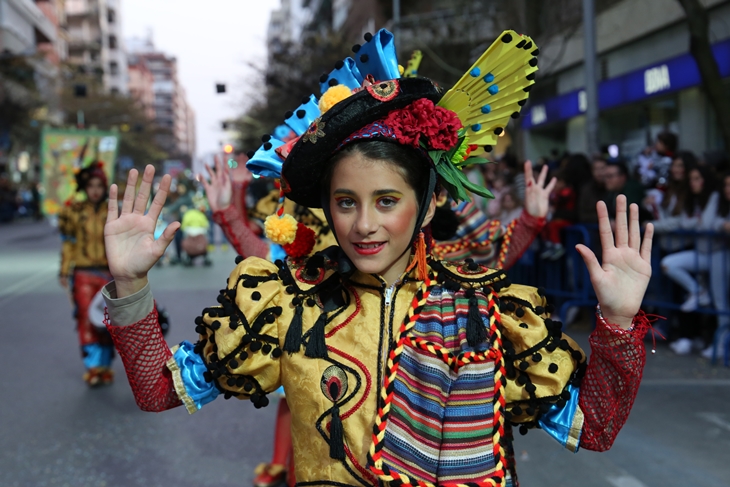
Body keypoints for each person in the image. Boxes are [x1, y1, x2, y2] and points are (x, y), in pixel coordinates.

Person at [102, 29, 655, 485]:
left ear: (431, 200)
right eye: (345, 202)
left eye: (386, 201)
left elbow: (594, 426)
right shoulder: (287, 306)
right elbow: (159, 390)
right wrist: (130, 285)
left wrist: (620, 322)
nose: (363, 224)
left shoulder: (489, 312)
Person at [653, 165, 727, 355]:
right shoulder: (695, 199)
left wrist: (707, 224)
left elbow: (710, 223)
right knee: (669, 264)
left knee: (720, 301)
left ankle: (720, 346)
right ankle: (698, 292)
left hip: (718, 253)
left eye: (697, 178)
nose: (693, 183)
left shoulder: (715, 197)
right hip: (703, 252)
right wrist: (703, 224)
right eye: (692, 179)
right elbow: (688, 223)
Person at [58, 162, 115, 386]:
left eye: (99, 185)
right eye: (90, 185)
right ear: (84, 187)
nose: (95, 190)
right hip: (82, 273)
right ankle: (93, 367)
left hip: (108, 274)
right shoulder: (73, 212)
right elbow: (68, 245)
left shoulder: (113, 212)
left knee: (109, 321)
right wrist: (64, 271)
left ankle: (105, 365)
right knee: (86, 318)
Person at [578, 156, 607, 224]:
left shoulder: (612, 187)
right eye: (596, 169)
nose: (599, 172)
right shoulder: (586, 189)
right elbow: (582, 214)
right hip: (594, 226)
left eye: (602, 168)